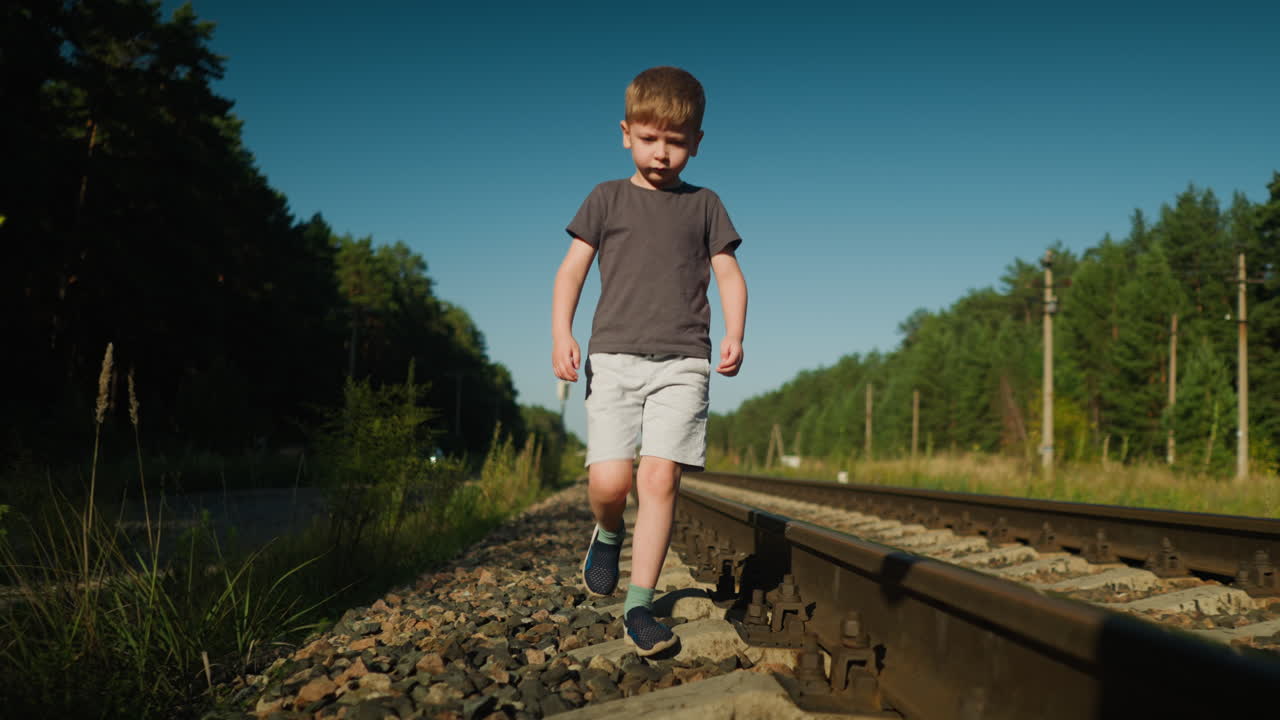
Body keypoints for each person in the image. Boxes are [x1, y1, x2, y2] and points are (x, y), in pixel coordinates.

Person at [550, 66, 748, 656]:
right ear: (626, 134)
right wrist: (561, 331)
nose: (661, 153)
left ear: (697, 143)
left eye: (676, 141)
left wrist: (736, 331)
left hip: (685, 361)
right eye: (649, 138)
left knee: (659, 479)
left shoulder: (706, 205)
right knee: (611, 481)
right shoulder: (605, 198)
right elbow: (572, 270)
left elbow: (730, 276)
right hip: (613, 357)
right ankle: (608, 532)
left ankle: (640, 606)